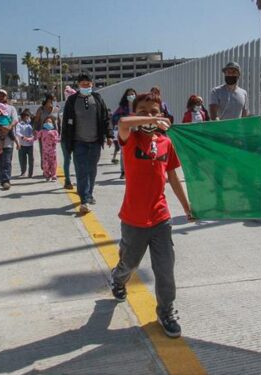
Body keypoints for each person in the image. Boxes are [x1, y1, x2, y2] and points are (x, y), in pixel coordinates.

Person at [110, 92, 193, 339]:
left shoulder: (166, 143)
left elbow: (174, 178)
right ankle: (118, 278)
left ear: (163, 114)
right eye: (143, 111)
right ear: (135, 113)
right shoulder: (130, 138)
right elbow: (123, 124)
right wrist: (148, 120)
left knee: (165, 268)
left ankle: (165, 312)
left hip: (160, 218)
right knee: (130, 263)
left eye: (154, 112)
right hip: (134, 219)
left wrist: (187, 208)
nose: (149, 115)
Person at [61, 72, 114, 214]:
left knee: (92, 169)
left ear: (92, 84)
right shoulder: (71, 100)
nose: (86, 86)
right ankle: (84, 199)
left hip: (95, 141)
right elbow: (66, 123)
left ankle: (89, 193)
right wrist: (66, 142)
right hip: (78, 142)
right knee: (81, 171)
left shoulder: (97, 98)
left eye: (88, 84)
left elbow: (105, 118)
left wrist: (109, 135)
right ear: (78, 85)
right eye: (83, 84)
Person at [112, 88, 137, 178]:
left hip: (136, 132)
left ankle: (134, 170)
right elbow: (114, 118)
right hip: (125, 132)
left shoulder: (138, 106)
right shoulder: (122, 108)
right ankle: (123, 171)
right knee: (124, 152)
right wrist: (125, 118)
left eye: (133, 94)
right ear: (126, 96)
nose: (131, 96)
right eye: (129, 95)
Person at [36, 116, 60, 181]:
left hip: (53, 152)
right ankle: (47, 175)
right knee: (45, 164)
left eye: (50, 122)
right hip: (45, 152)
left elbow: (58, 140)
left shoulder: (55, 132)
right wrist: (26, 139)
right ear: (44, 123)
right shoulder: (42, 131)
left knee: (53, 164)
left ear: (52, 123)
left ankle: (54, 175)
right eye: (46, 122)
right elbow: (35, 138)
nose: (48, 123)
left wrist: (53, 137)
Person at [15, 109, 35, 178]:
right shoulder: (19, 124)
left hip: (30, 145)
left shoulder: (30, 124)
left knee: (31, 159)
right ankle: (23, 172)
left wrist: (32, 137)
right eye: (27, 116)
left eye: (28, 116)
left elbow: (33, 132)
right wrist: (22, 137)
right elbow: (17, 132)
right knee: (22, 159)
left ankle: (30, 173)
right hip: (22, 144)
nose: (28, 117)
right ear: (23, 117)